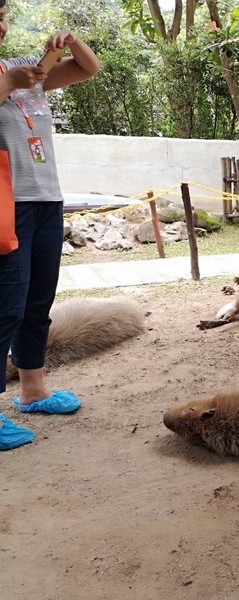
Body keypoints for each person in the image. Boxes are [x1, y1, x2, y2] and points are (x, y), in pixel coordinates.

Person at [0, 3, 101, 450]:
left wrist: (71, 42)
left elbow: (87, 69)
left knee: (37, 300)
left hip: (45, 200)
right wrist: (8, 83)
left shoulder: (24, 67)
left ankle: (33, 390)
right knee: (5, 306)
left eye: (1, 16)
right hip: (7, 205)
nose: (1, 26)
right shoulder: (12, 76)